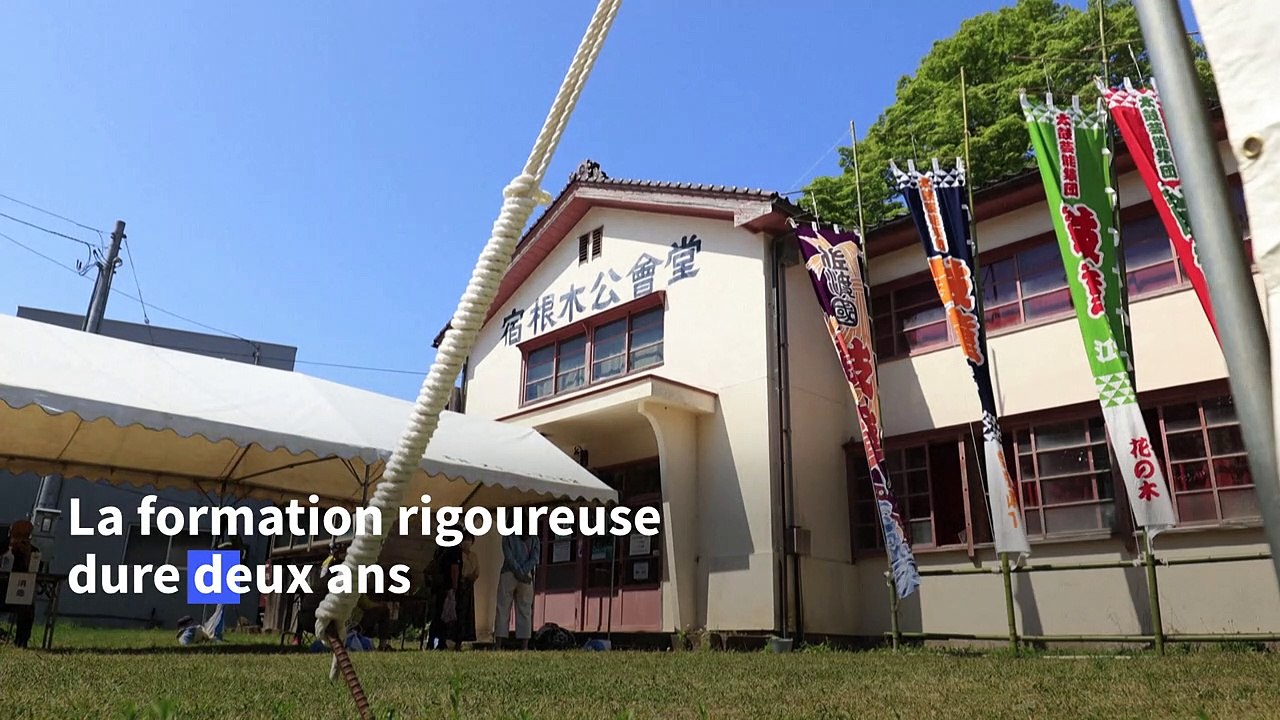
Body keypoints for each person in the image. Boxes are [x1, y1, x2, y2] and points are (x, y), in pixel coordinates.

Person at [316, 541, 394, 650]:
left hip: (326, 614)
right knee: (384, 611)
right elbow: (363, 603)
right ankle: (382, 646)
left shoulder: (327, 566)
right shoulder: (352, 571)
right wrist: (378, 605)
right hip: (350, 619)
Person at [494, 530, 539, 650]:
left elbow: (508, 556)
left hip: (508, 573)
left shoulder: (507, 536)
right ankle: (524, 645)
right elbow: (534, 558)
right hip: (526, 577)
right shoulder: (534, 537)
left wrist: (517, 570)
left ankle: (499, 644)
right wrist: (523, 572)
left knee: (502, 608)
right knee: (525, 610)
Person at [0, 519, 38, 648]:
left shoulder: (33, 551)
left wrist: (27, 555)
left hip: (19, 594)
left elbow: (36, 571)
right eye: (17, 535)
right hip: (1, 591)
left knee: (27, 607)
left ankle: (21, 641)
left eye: (24, 536)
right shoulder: (3, 546)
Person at [426, 539, 463, 650]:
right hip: (448, 587)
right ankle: (441, 642)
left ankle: (431, 642)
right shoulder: (455, 550)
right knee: (446, 616)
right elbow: (454, 568)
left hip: (438, 586)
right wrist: (455, 586)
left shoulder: (441, 548)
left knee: (437, 615)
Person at [453, 534, 479, 648]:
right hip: (460, 584)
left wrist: (472, 577)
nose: (467, 542)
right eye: (465, 539)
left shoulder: (474, 556)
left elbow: (477, 570)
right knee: (458, 612)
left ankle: (463, 638)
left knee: (467, 613)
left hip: (469, 585)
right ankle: (455, 639)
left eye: (469, 540)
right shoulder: (458, 554)